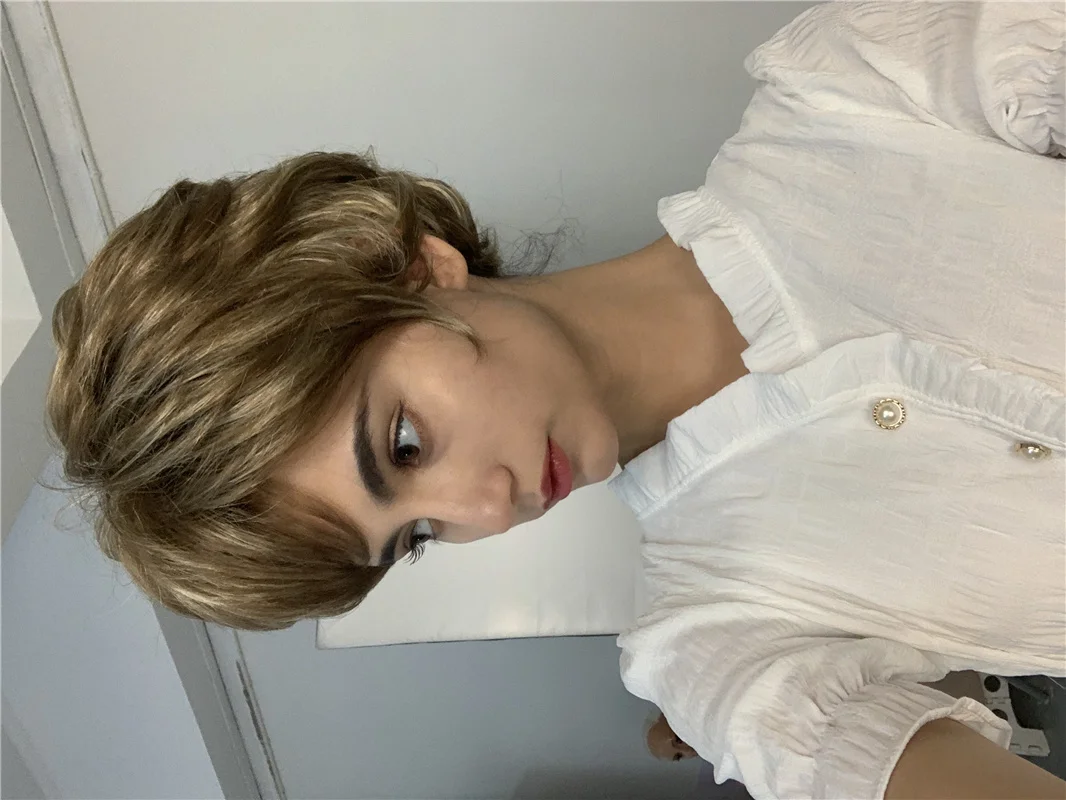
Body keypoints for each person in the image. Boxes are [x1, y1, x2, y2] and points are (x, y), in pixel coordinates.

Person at [45, 2, 1065, 799]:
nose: (487, 509)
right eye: (415, 538)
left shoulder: (850, 91)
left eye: (404, 443)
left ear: (410, 268)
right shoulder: (714, 638)